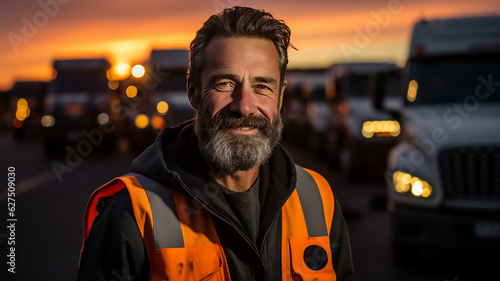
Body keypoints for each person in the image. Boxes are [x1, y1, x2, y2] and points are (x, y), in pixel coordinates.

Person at [77, 6, 354, 281]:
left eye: (262, 86)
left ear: (280, 97)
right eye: (225, 83)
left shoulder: (317, 198)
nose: (244, 106)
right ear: (193, 93)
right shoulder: (131, 213)